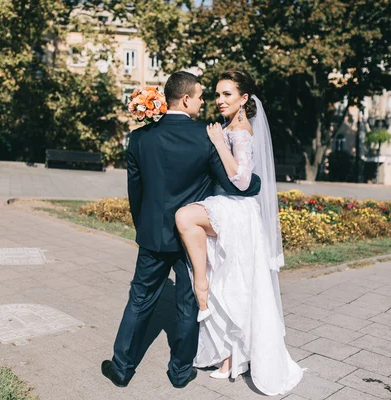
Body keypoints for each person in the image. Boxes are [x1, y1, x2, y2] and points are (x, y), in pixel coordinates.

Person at [101, 71, 261, 389]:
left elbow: (136, 191)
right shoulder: (206, 136)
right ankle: (180, 372)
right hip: (192, 237)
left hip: (153, 235)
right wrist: (256, 183)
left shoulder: (140, 138)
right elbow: (233, 182)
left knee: (140, 299)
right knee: (187, 304)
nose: (205, 102)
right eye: (201, 96)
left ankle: (121, 368)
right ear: (186, 99)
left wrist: (142, 226)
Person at [175, 70, 303, 395]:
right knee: (232, 284)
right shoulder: (230, 126)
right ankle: (231, 357)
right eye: (217, 94)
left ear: (244, 99)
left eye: (227, 94)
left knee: (186, 217)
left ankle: (198, 284)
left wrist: (219, 144)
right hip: (226, 207)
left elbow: (244, 181)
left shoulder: (241, 130)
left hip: (237, 210)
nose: (219, 100)